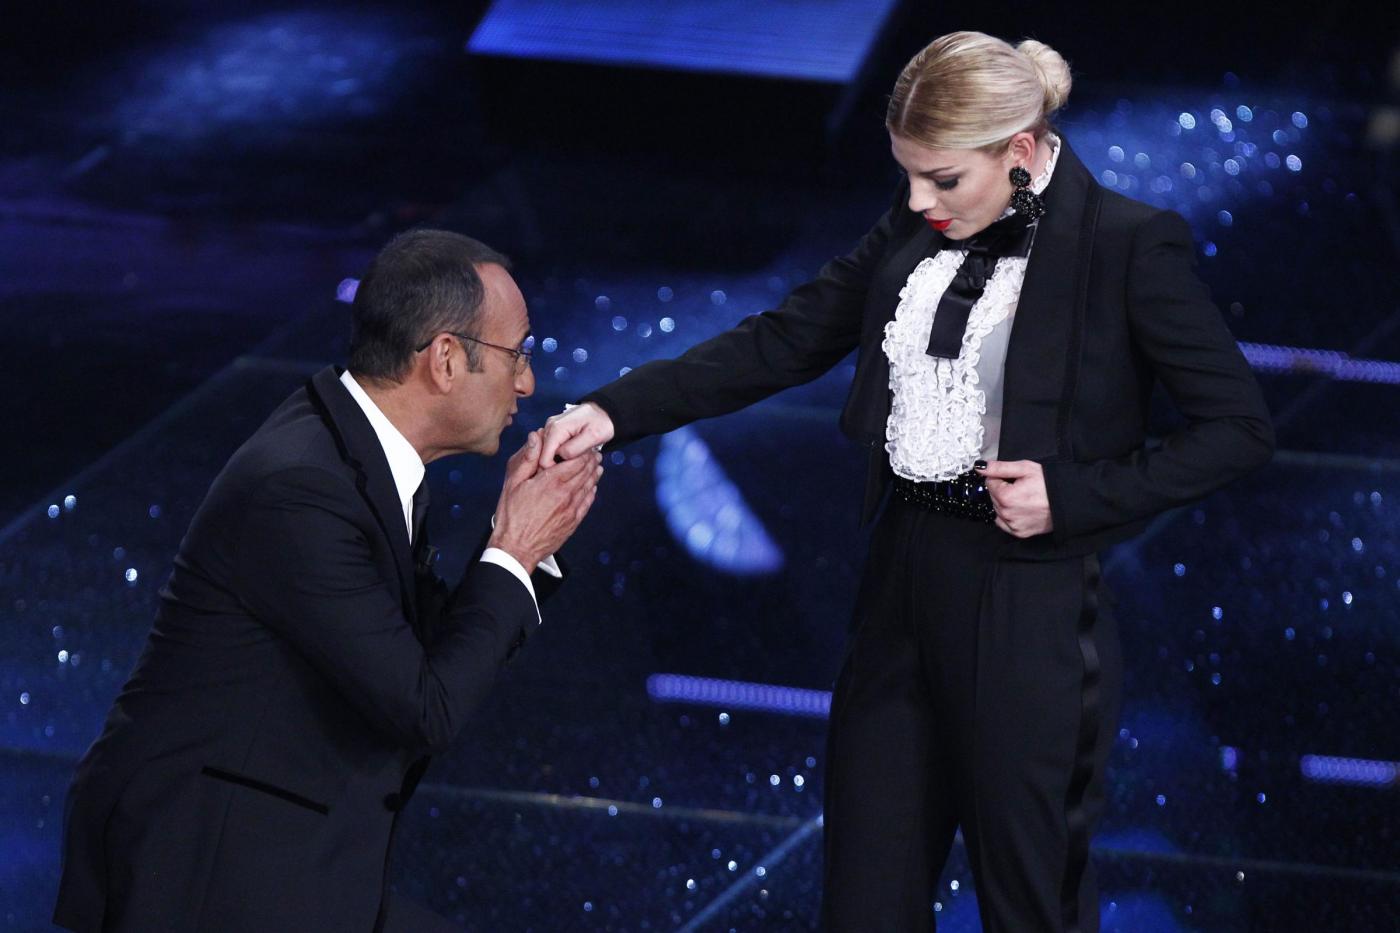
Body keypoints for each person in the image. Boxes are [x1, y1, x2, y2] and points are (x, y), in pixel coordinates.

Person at [538, 31, 1274, 933]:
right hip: (901, 579)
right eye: (909, 175)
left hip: (1029, 599)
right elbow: (788, 337)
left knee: (1030, 901)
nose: (920, 200)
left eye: (943, 179)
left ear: (1020, 151)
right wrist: (616, 410)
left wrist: (1074, 496)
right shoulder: (920, 221)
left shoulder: (1127, 246)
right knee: (865, 897)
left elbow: (1237, 428)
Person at [53, 230, 603, 933]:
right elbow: (425, 708)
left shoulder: (359, 453)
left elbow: (418, 656)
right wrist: (513, 549)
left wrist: (522, 545)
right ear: (444, 359)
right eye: (517, 353)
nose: (526, 382)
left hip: (293, 852)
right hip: (208, 874)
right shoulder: (301, 488)